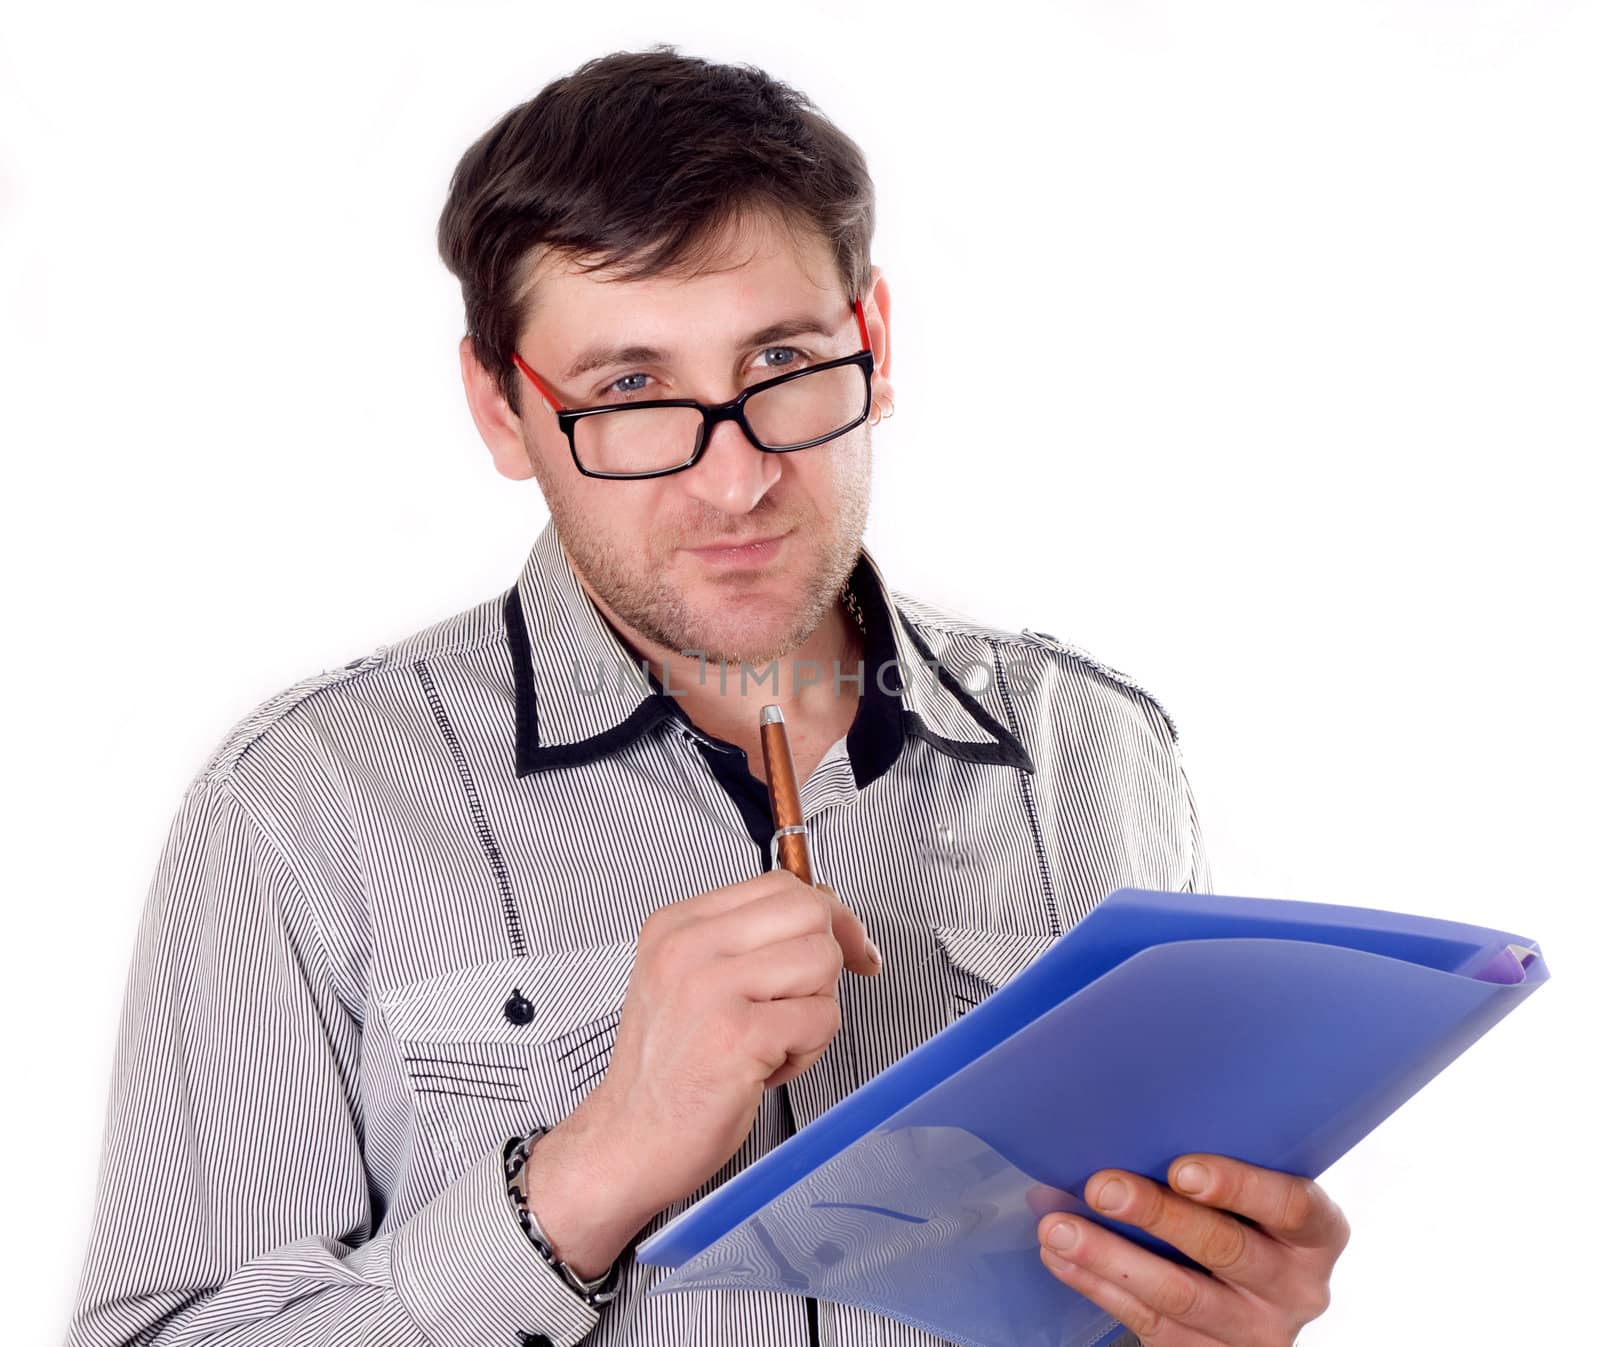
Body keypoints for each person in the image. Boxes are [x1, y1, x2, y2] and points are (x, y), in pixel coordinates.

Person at [63, 46, 1347, 1347]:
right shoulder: (304, 806)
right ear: (503, 409)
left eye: (783, 363)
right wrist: (585, 1174)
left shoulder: (1095, 752)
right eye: (631, 391)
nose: (735, 483)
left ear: (876, 343)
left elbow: (1143, 1271)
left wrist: (1216, 1305)